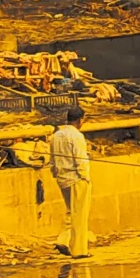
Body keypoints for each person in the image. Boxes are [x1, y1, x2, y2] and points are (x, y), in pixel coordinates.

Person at [47, 106, 94, 257]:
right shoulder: (77, 136)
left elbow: (52, 160)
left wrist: (56, 174)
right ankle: (79, 251)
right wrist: (85, 177)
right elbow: (80, 159)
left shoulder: (56, 135)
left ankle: (64, 240)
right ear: (80, 120)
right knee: (79, 214)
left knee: (70, 212)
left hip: (62, 179)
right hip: (76, 179)